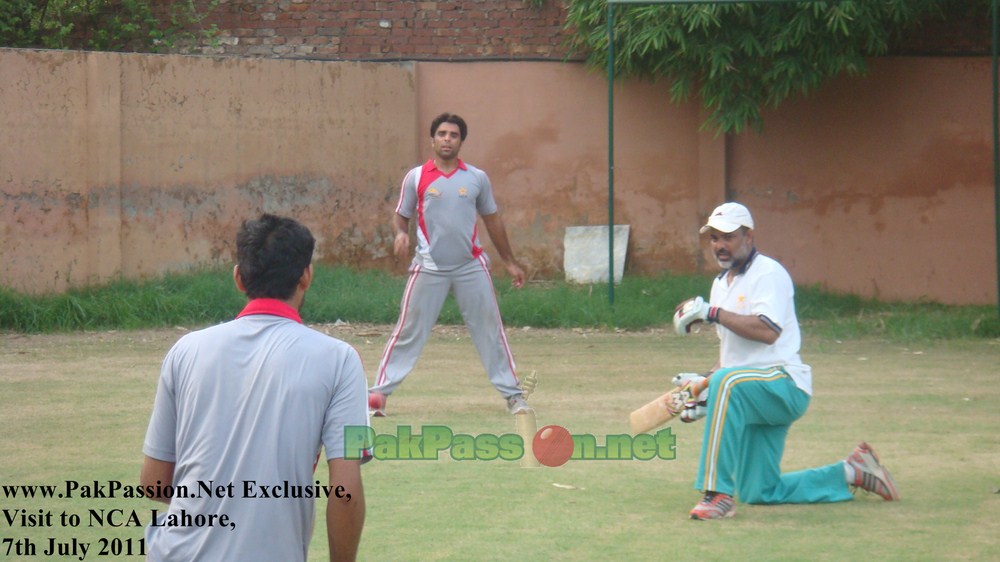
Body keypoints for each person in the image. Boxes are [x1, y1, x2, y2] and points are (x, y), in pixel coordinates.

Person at [140, 214, 368, 560]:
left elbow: (154, 482)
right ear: (306, 275)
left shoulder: (185, 351)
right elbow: (345, 491)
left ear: (238, 278)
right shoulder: (339, 360)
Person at [672, 201, 899, 521]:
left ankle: (716, 493)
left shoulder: (769, 273)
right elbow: (732, 358)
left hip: (784, 383)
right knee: (760, 491)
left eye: (728, 236)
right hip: (754, 390)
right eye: (714, 238)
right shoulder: (721, 284)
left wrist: (712, 314)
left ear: (748, 236)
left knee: (727, 384)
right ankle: (852, 472)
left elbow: (768, 332)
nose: (720, 245)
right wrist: (704, 385)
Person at [369, 112, 529, 416]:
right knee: (408, 330)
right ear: (433, 139)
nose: (447, 139)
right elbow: (401, 215)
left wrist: (509, 261)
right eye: (442, 134)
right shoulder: (416, 177)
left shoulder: (476, 178)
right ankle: (378, 395)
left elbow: (493, 220)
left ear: (461, 141)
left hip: (471, 266)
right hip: (429, 267)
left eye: (453, 135)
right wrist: (401, 234)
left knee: (489, 330)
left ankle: (513, 396)